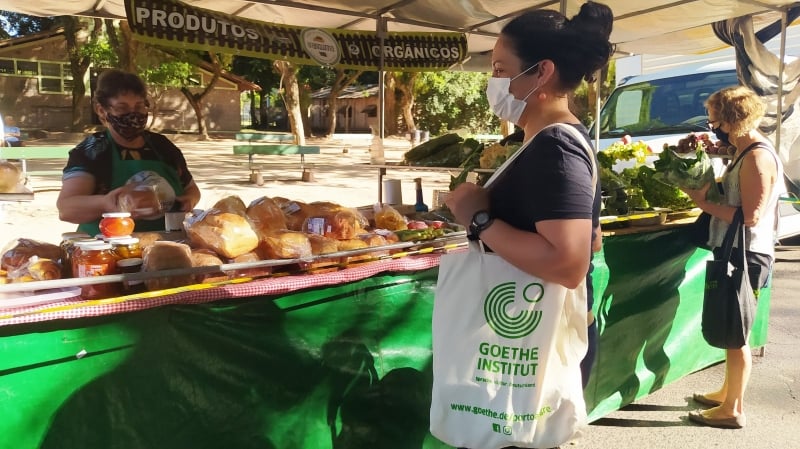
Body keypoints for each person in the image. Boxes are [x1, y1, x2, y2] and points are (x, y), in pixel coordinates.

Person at [445, 2, 613, 445]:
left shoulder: (557, 148)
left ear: (541, 73)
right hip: (523, 323)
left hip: (534, 329)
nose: (493, 81)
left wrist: (478, 219)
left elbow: (568, 262)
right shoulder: (543, 140)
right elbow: (587, 238)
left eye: (501, 68)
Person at [682, 86, 784, 429]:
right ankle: (728, 392)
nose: (711, 125)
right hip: (740, 251)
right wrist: (713, 150)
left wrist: (703, 203)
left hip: (747, 253)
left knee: (736, 332)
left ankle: (733, 409)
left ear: (731, 121)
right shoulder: (743, 149)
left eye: (714, 119)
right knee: (729, 328)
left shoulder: (756, 157)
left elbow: (751, 215)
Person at [57, 69, 201, 235]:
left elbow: (192, 189)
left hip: (166, 243)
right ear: (102, 110)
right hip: (107, 248)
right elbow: (66, 209)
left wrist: (189, 200)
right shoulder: (93, 150)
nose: (133, 114)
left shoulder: (162, 147)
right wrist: (107, 203)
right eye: (122, 108)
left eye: (139, 106)